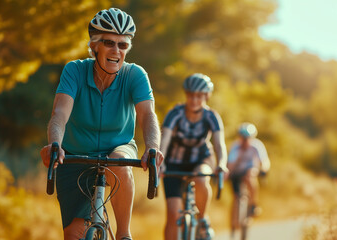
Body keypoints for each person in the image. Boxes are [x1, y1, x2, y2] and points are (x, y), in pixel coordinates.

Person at [39, 8, 164, 240]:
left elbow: (148, 115)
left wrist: (152, 147)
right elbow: (59, 113)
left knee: (119, 161)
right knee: (74, 236)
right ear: (94, 45)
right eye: (109, 42)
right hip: (76, 155)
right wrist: (54, 144)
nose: (116, 51)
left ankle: (124, 233)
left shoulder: (135, 75)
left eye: (123, 45)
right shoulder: (74, 70)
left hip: (119, 148)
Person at [160, 73, 228, 240]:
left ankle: (202, 218)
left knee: (201, 178)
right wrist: (159, 162)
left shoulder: (211, 116)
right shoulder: (175, 113)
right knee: (172, 214)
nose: (194, 100)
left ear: (206, 96)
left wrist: (222, 164)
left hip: (201, 160)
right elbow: (164, 140)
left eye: (199, 96)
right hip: (174, 162)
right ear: (186, 95)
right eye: (190, 95)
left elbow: (219, 144)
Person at [227, 122, 270, 232]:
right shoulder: (235, 147)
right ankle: (234, 221)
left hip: (250, 171)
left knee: (250, 175)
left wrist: (264, 169)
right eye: (243, 138)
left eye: (247, 138)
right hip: (236, 173)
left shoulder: (257, 145)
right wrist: (225, 176)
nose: (245, 140)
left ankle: (253, 205)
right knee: (236, 196)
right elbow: (230, 164)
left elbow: (264, 160)